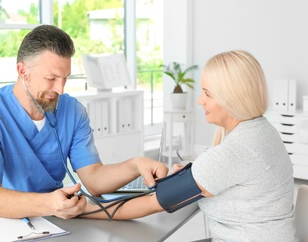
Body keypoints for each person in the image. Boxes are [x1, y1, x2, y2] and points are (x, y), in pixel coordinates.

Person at [82, 50, 297, 242]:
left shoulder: (232, 153)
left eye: (208, 93)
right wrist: (193, 175)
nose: (200, 101)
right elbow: (231, 173)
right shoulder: (262, 130)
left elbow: (153, 203)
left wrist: (84, 210)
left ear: (232, 98)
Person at [0, 24, 168, 219]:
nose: (60, 89)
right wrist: (50, 204)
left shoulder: (72, 111)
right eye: (51, 78)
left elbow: (94, 179)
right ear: (23, 71)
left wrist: (135, 165)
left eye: (65, 78)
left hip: (53, 219)